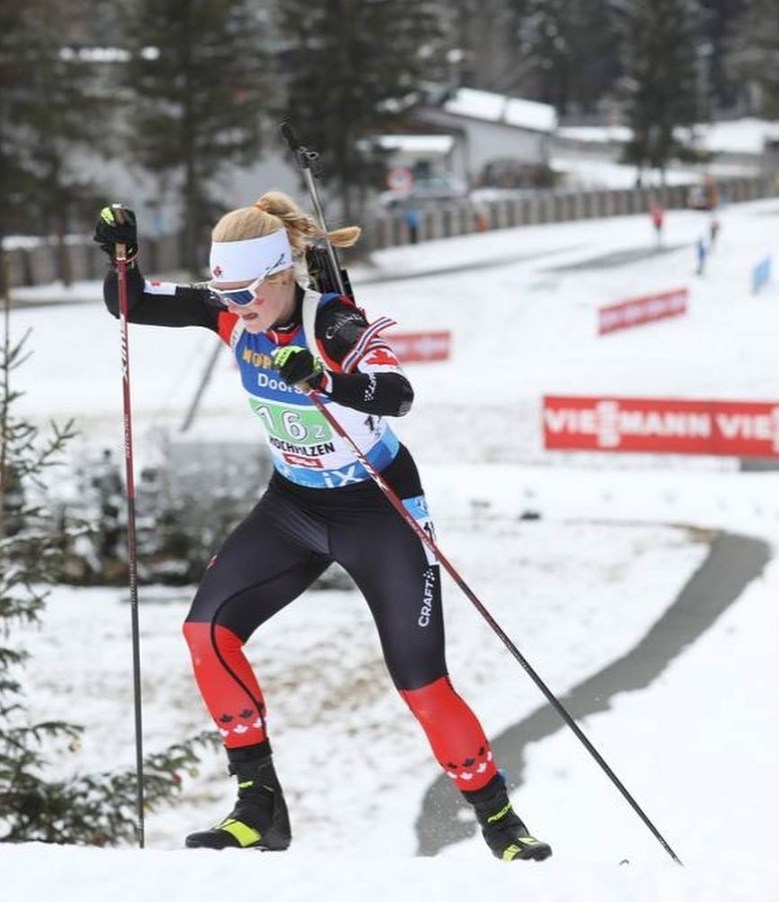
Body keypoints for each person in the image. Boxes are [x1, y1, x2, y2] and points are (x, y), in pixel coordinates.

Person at [93, 195, 551, 862]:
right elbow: (128, 303)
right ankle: (259, 808)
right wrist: (122, 258)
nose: (234, 304)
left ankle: (500, 822)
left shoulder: (330, 322)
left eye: (245, 290)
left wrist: (326, 381)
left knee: (421, 683)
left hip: (380, 509)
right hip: (294, 506)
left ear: (283, 276)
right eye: (222, 290)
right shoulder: (230, 314)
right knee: (206, 632)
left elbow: (397, 395)